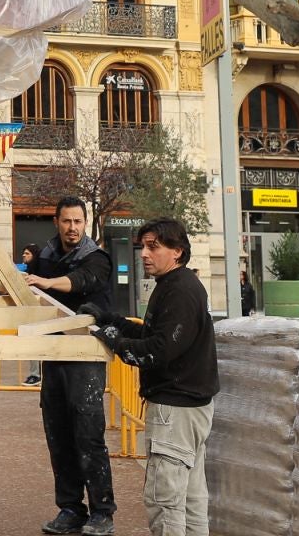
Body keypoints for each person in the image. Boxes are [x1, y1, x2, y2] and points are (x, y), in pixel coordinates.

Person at [96, 218, 218, 536]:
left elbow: (159, 350)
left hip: (174, 411)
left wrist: (115, 342)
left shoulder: (179, 291)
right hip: (190, 407)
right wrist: (115, 322)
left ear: (177, 251)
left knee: (164, 501)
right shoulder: (175, 285)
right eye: (143, 247)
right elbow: (156, 334)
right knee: (190, 500)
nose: (145, 254)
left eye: (154, 247)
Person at [26, 197, 117, 536]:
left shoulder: (97, 258)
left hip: (85, 356)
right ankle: (70, 509)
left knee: (88, 434)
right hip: (54, 355)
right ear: (56, 222)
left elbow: (82, 281)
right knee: (59, 433)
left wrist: (46, 283)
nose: (72, 228)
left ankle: (102, 511)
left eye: (78, 221)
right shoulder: (45, 258)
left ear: (85, 222)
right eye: (66, 221)